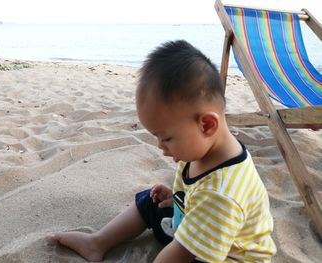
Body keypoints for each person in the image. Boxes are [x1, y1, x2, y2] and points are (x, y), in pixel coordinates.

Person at [50, 40, 276, 262]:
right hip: (197, 222)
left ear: (207, 125)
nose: (160, 146)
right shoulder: (203, 149)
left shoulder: (222, 194)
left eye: (166, 138)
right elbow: (197, 194)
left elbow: (180, 254)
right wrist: (179, 199)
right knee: (151, 202)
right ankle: (97, 242)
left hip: (225, 254)